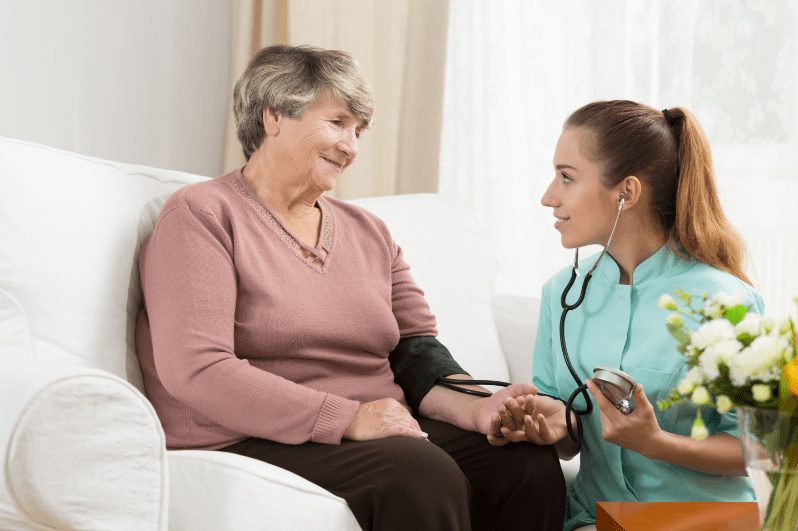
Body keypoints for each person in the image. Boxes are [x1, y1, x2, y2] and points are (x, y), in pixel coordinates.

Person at [135, 44, 565, 531]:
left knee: (524, 465)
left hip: (372, 428)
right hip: (247, 434)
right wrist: (346, 418)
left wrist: (479, 409)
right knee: (420, 476)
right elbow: (197, 368)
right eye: (337, 122)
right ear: (273, 116)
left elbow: (416, 351)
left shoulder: (369, 231)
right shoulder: (201, 215)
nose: (351, 146)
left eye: (358, 131)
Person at [493, 101, 762, 531]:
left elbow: (759, 450)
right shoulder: (560, 294)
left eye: (567, 177)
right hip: (595, 519)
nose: (548, 196)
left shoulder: (726, 301)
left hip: (701, 520)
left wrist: (656, 443)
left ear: (628, 193)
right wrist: (553, 426)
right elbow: (568, 432)